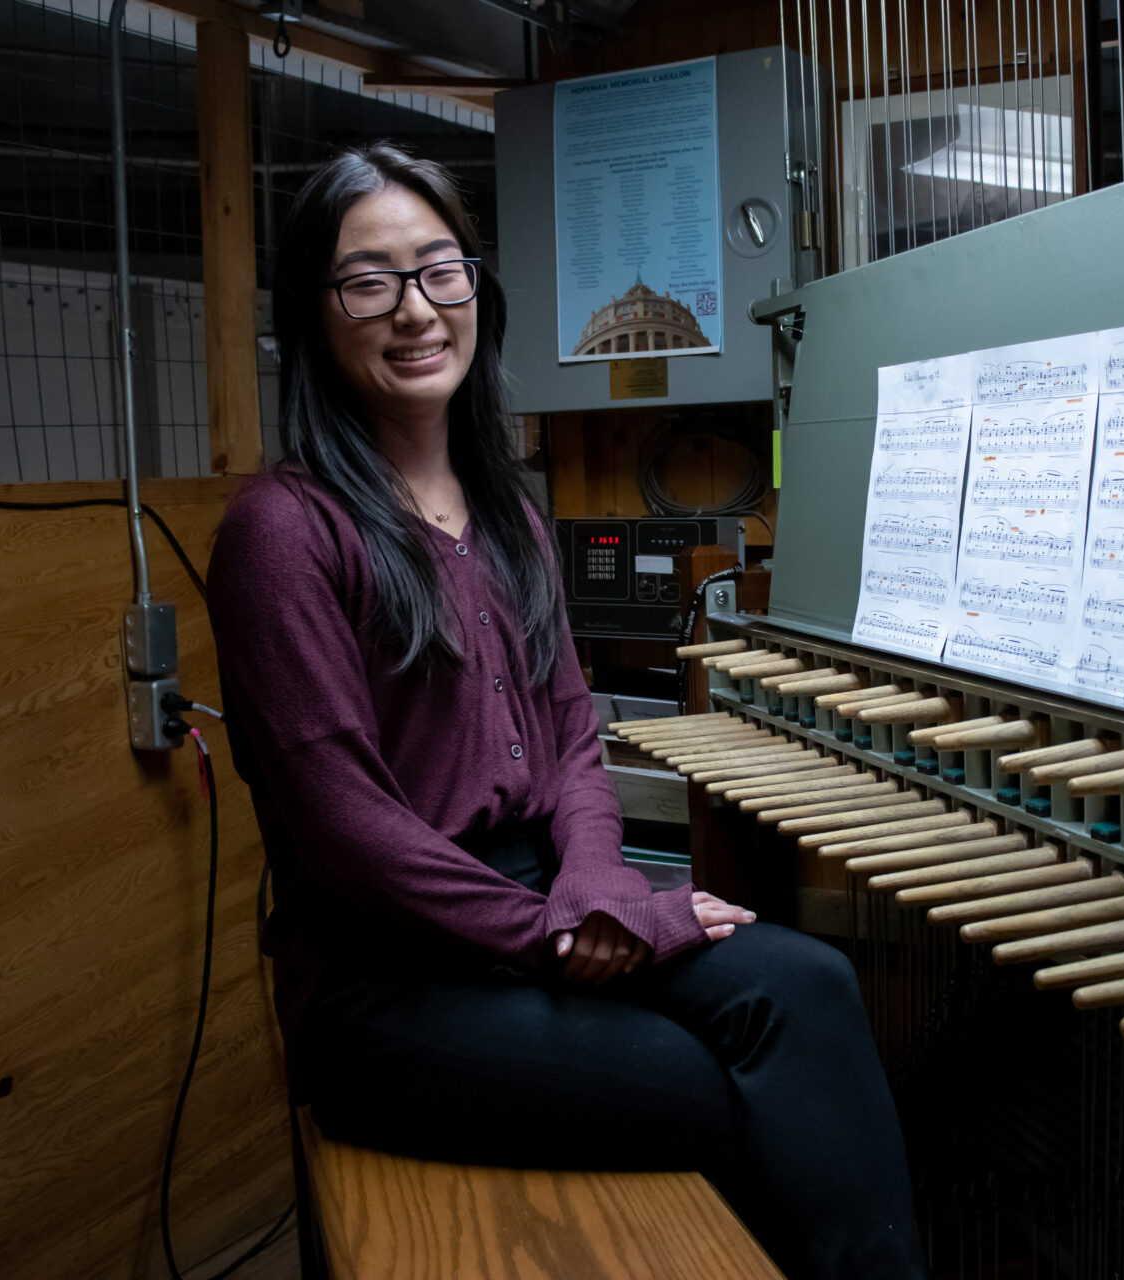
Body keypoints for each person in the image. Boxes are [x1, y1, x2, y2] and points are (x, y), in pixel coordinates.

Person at [205, 142, 926, 1280]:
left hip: (542, 898)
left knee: (809, 989)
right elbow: (349, 835)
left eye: (440, 270)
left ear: (475, 287)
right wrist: (557, 929)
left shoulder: (513, 520)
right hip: (384, 975)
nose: (414, 310)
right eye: (369, 280)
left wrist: (599, 887)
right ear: (312, 309)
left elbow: (570, 740)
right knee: (702, 1085)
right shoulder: (281, 532)